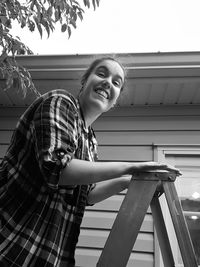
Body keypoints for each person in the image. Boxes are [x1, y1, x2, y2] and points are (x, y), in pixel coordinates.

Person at [0, 57, 181, 267]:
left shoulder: (90, 142)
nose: (107, 83)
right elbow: (57, 169)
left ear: (115, 100)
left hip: (45, 253)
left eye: (116, 82)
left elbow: (86, 195)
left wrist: (130, 180)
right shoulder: (60, 101)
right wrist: (132, 166)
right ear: (85, 81)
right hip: (9, 239)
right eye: (102, 74)